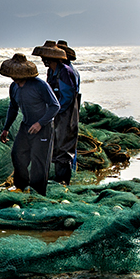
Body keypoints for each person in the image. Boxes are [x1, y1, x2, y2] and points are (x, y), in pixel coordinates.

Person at [0, 53, 59, 196]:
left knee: (39, 161)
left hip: (42, 128)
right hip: (26, 126)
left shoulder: (40, 85)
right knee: (17, 154)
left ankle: (38, 192)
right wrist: (6, 128)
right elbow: (13, 108)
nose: (14, 77)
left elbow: (55, 106)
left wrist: (40, 123)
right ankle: (21, 185)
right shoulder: (13, 87)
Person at [53, 40, 82, 183]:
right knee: (65, 141)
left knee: (67, 141)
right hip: (64, 108)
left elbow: (69, 95)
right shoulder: (56, 71)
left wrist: (57, 111)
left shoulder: (67, 71)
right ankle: (70, 171)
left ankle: (70, 173)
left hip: (68, 109)